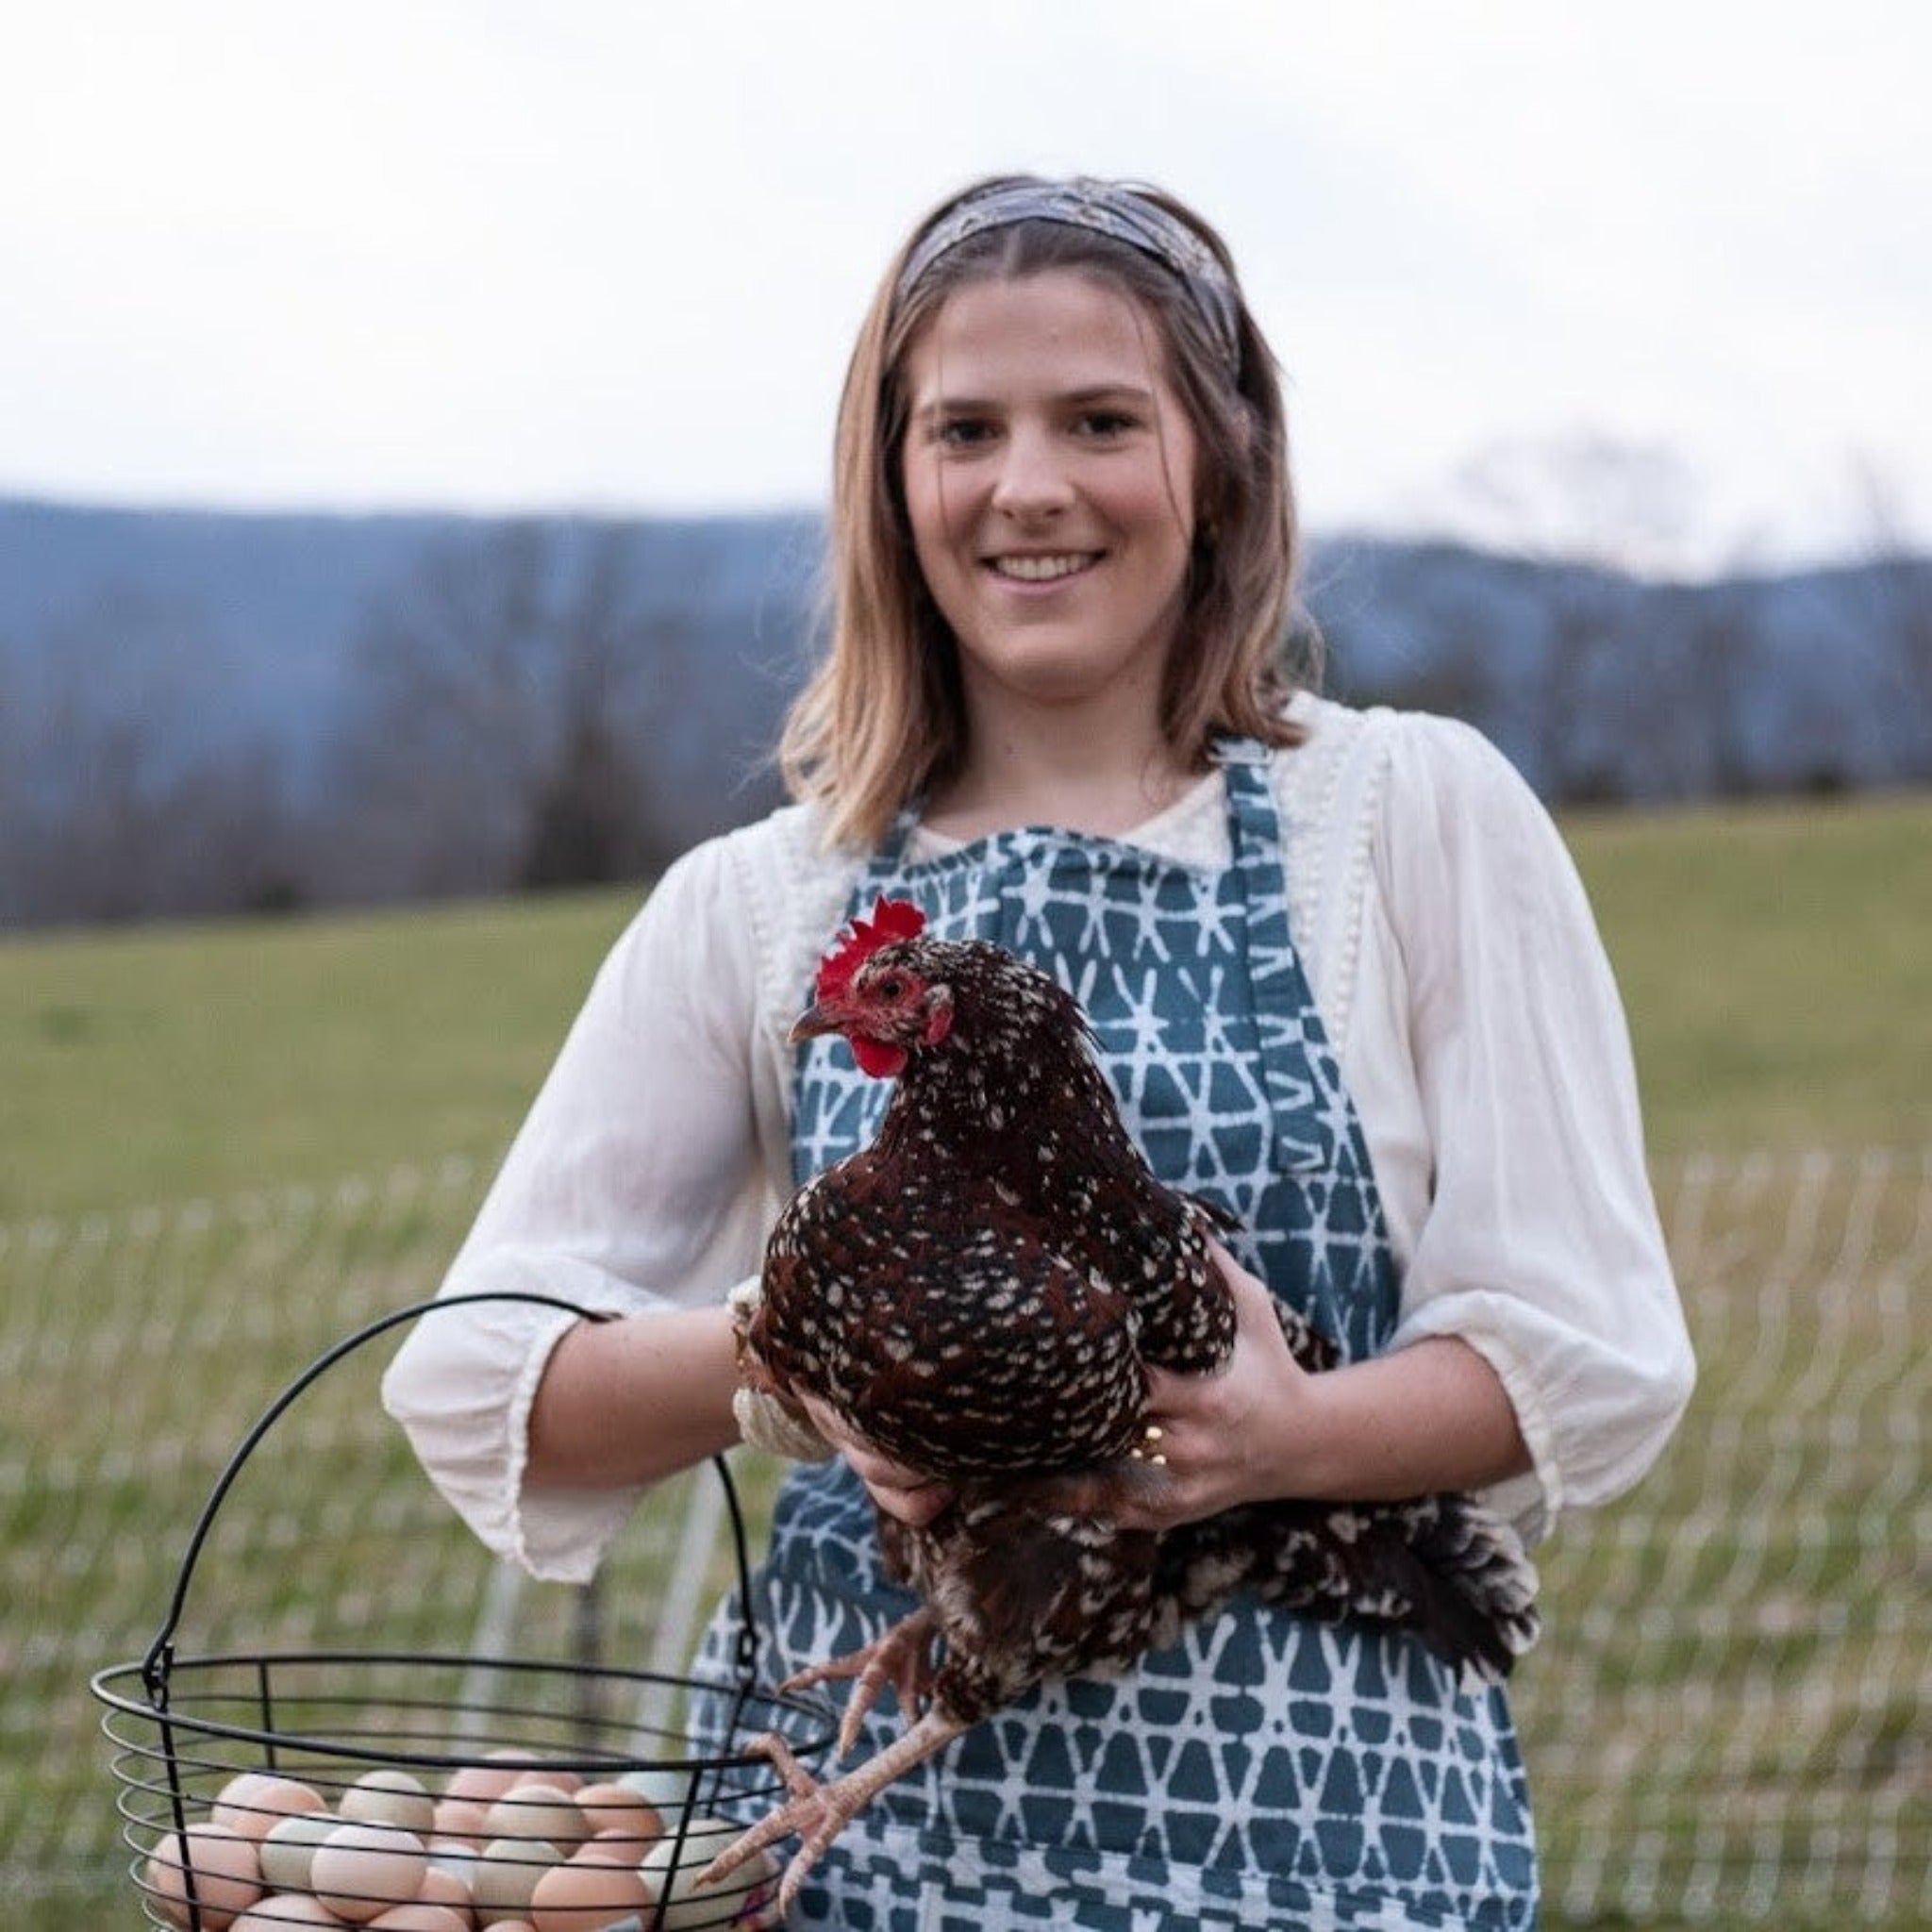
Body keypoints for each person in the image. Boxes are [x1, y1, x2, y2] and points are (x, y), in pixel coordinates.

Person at [382, 173, 1695, 1930]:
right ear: (892, 483)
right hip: (859, 1834)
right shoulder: (764, 903)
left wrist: (1286, 1435)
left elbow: (1585, 1350)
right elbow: (487, 1382)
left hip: (1326, 1832)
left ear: (1220, 459)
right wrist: (798, 1367)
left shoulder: (1409, 821)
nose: (1029, 486)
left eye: (1100, 421)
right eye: (965, 430)